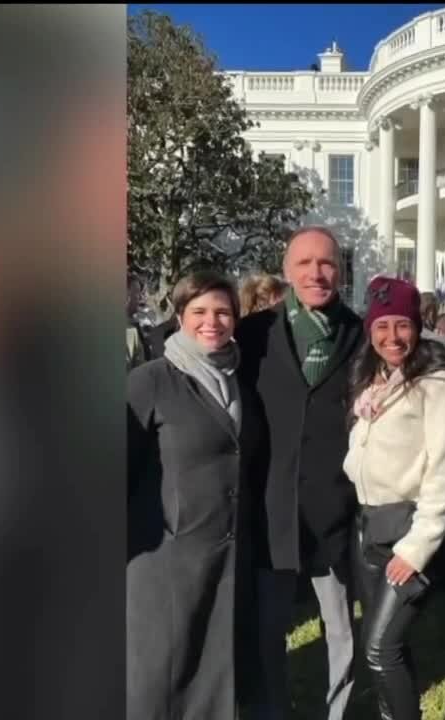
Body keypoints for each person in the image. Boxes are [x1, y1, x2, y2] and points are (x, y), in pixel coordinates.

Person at [234, 226, 366, 720]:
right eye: (306, 263)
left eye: (327, 263)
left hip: (336, 510)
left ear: (341, 270)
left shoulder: (360, 334)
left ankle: (338, 712)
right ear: (287, 271)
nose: (317, 273)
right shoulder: (254, 334)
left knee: (340, 631)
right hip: (270, 510)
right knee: (269, 633)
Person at [128, 270, 262, 720]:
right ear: (180, 316)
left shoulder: (240, 381)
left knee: (213, 673)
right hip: (165, 562)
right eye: (199, 311)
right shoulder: (151, 381)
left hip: (225, 556)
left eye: (223, 312)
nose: (212, 321)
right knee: (159, 681)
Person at [343, 276, 445, 720]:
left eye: (401, 325)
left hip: (408, 532)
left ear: (418, 326)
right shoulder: (379, 379)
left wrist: (418, 547)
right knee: (387, 648)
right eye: (381, 327)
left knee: (379, 649)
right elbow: (356, 463)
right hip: (371, 528)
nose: (391, 337)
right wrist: (365, 419)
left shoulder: (439, 383)